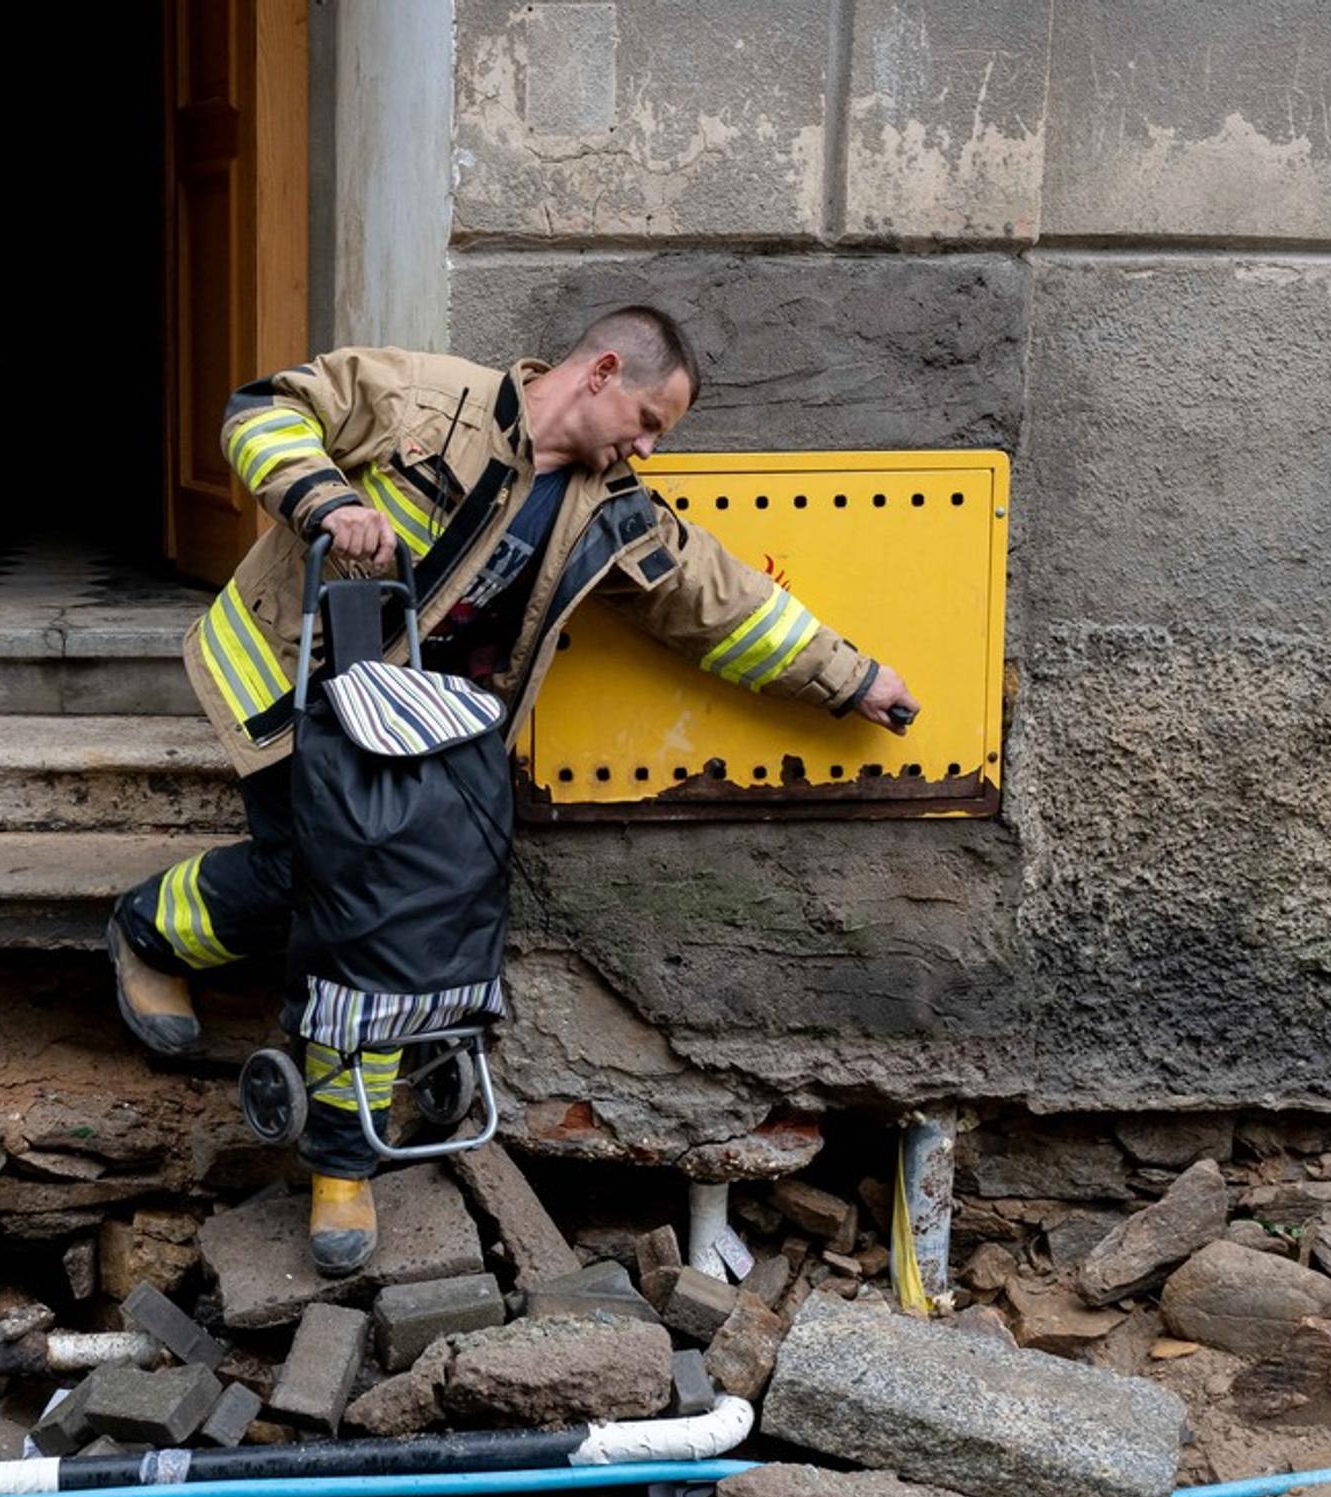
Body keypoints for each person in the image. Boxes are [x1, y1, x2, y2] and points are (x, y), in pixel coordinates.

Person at [110, 306, 919, 1277]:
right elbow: (263, 412)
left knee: (372, 910)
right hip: (298, 687)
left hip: (422, 736)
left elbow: (718, 601)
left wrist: (852, 678)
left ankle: (188, 965)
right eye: (650, 421)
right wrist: (325, 502)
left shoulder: (611, 508)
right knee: (335, 896)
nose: (650, 448)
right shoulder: (424, 399)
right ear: (603, 370)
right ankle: (322, 1140)